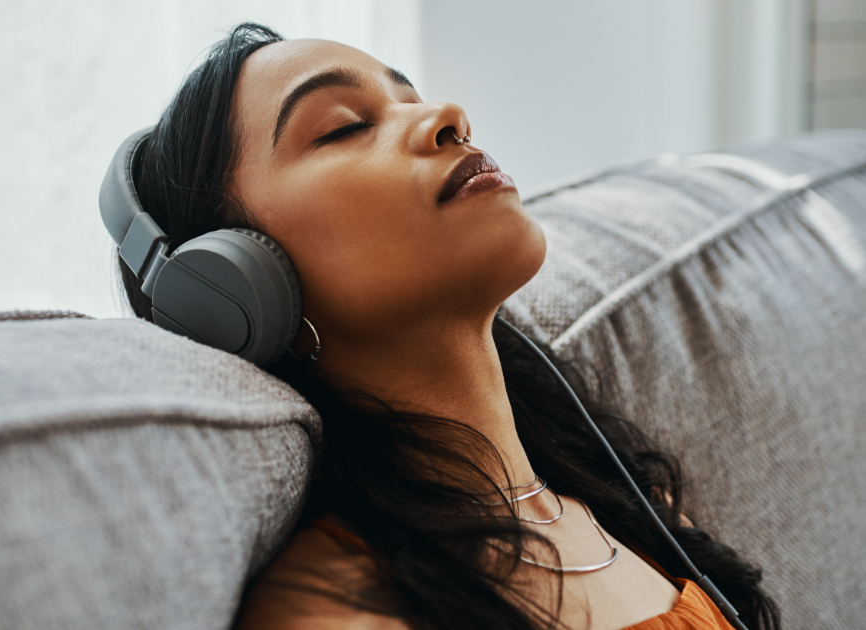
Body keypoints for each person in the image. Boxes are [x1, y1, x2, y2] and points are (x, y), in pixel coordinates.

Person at [114, 23, 779, 630]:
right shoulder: (341, 611)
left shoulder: (628, 504)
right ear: (235, 286)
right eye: (344, 126)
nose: (447, 116)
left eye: (411, 96)